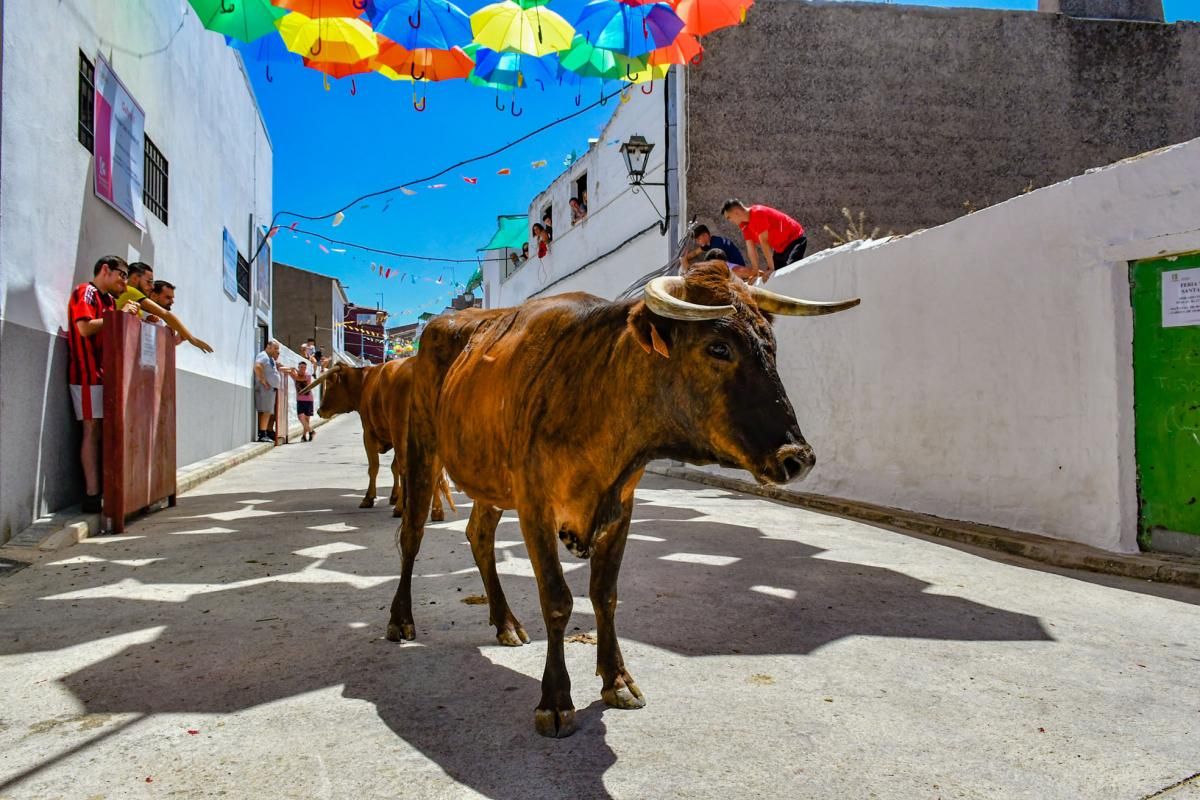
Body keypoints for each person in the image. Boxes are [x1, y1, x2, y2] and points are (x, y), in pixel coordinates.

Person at [68, 255, 135, 513]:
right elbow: (84, 328)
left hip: (104, 375)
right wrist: (117, 316)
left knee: (103, 431)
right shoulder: (86, 292)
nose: (124, 281)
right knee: (91, 430)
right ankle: (92, 494)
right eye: (122, 274)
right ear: (105, 270)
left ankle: (107, 488)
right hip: (86, 376)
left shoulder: (108, 301)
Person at [115, 261, 214, 353]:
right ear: (135, 278)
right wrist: (192, 339)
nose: (152, 287)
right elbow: (165, 314)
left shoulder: (133, 299)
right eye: (149, 282)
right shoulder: (130, 291)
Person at [721, 199, 808, 284]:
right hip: (780, 248)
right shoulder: (744, 225)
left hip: (795, 239)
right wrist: (755, 272)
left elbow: (764, 242)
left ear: (737, 212)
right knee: (774, 278)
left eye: (729, 217)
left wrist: (771, 268)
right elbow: (751, 249)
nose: (730, 221)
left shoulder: (757, 213)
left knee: (789, 271)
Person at [682, 223, 746, 274]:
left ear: (705, 235)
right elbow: (695, 253)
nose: (697, 242)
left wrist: (687, 266)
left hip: (737, 269)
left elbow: (709, 266)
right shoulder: (710, 242)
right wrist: (685, 258)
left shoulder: (716, 245)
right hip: (731, 267)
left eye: (698, 239)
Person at [254, 340, 282, 443]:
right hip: (266, 388)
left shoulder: (269, 358)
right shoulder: (264, 356)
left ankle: (263, 432)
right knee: (266, 411)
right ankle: (262, 434)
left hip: (269, 389)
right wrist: (263, 381)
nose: (276, 350)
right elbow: (257, 366)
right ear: (268, 346)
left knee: (266, 411)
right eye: (275, 348)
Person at [288, 359, 316, 442]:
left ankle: (304, 436)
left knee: (306, 420)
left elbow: (299, 378)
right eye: (301, 367)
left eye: (304, 367)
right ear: (298, 367)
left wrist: (293, 370)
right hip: (300, 400)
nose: (302, 369)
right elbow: (286, 371)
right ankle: (311, 431)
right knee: (301, 417)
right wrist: (290, 369)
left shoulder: (307, 376)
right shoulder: (296, 375)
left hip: (309, 400)